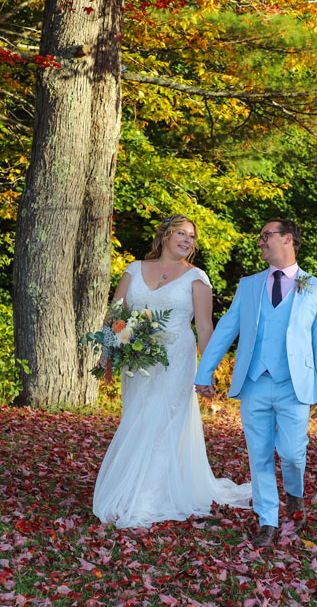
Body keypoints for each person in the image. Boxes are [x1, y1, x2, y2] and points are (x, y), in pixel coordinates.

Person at [92, 214, 252, 528]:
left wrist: (207, 371)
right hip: (138, 362)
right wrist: (110, 348)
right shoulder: (134, 269)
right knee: (139, 419)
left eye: (192, 237)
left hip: (177, 361)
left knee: (163, 424)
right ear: (165, 235)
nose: (187, 241)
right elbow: (117, 313)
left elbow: (205, 327)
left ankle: (144, 501)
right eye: (182, 233)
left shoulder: (197, 277)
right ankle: (134, 486)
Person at [194, 219, 317, 548]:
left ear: (287, 239)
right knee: (259, 456)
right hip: (254, 383)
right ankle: (267, 521)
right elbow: (227, 328)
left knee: (292, 455)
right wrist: (205, 372)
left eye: (266, 236)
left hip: (294, 387)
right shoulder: (250, 285)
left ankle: (295, 498)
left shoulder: (316, 287)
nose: (260, 242)